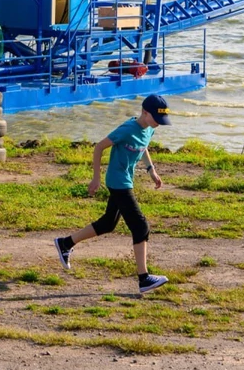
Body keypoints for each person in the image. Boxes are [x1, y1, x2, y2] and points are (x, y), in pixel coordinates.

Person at [53, 94, 173, 295]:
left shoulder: (149, 128)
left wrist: (151, 170)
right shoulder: (127, 130)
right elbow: (99, 147)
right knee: (141, 226)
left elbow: (144, 147)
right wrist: (95, 178)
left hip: (126, 180)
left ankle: (65, 243)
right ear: (144, 112)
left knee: (108, 223)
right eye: (156, 120)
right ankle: (144, 279)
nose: (158, 125)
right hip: (118, 182)